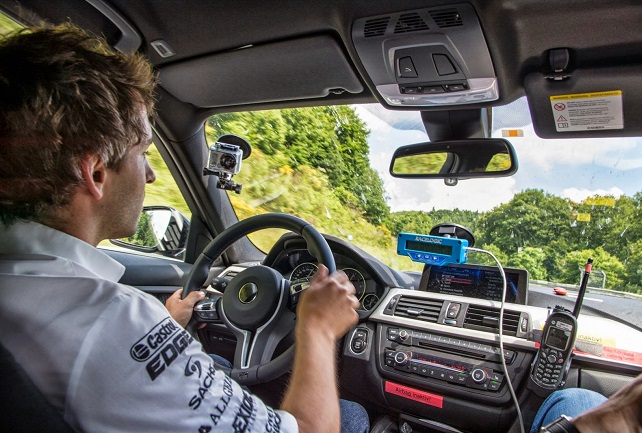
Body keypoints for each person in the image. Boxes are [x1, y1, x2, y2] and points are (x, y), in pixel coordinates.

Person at [0, 24, 368, 433]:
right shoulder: (113, 319)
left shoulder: (41, 296)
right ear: (97, 173)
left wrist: (164, 328)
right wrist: (318, 327)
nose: (152, 175)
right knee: (353, 416)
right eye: (143, 153)